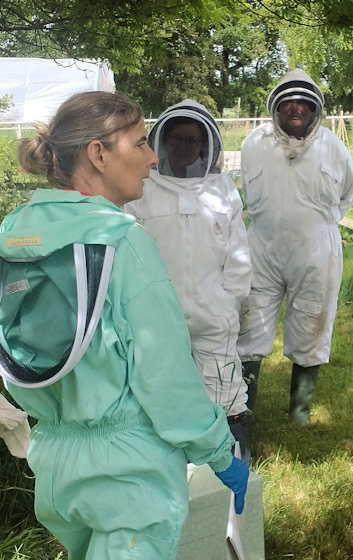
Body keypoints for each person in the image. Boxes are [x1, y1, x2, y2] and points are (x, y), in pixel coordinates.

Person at [0, 91, 249, 560]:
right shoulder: (121, 245)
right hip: (128, 463)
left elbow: (7, 346)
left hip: (55, 455)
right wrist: (220, 449)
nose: (154, 158)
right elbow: (168, 383)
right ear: (98, 155)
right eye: (140, 143)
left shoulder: (18, 232)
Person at [125, 100, 252, 459]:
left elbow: (239, 252)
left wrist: (230, 299)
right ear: (162, 143)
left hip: (213, 310)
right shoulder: (143, 187)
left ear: (204, 145)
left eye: (191, 140)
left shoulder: (222, 188)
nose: (183, 147)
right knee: (161, 391)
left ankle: (232, 465)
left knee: (225, 391)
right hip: (158, 316)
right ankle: (176, 467)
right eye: (176, 140)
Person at [237, 69, 353, 425]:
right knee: (249, 325)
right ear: (276, 105)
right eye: (288, 100)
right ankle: (242, 408)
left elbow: (346, 195)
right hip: (262, 247)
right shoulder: (253, 144)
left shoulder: (333, 148)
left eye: (304, 101)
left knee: (312, 324)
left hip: (316, 251)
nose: (296, 107)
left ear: (314, 108)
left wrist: (316, 227)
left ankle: (299, 411)